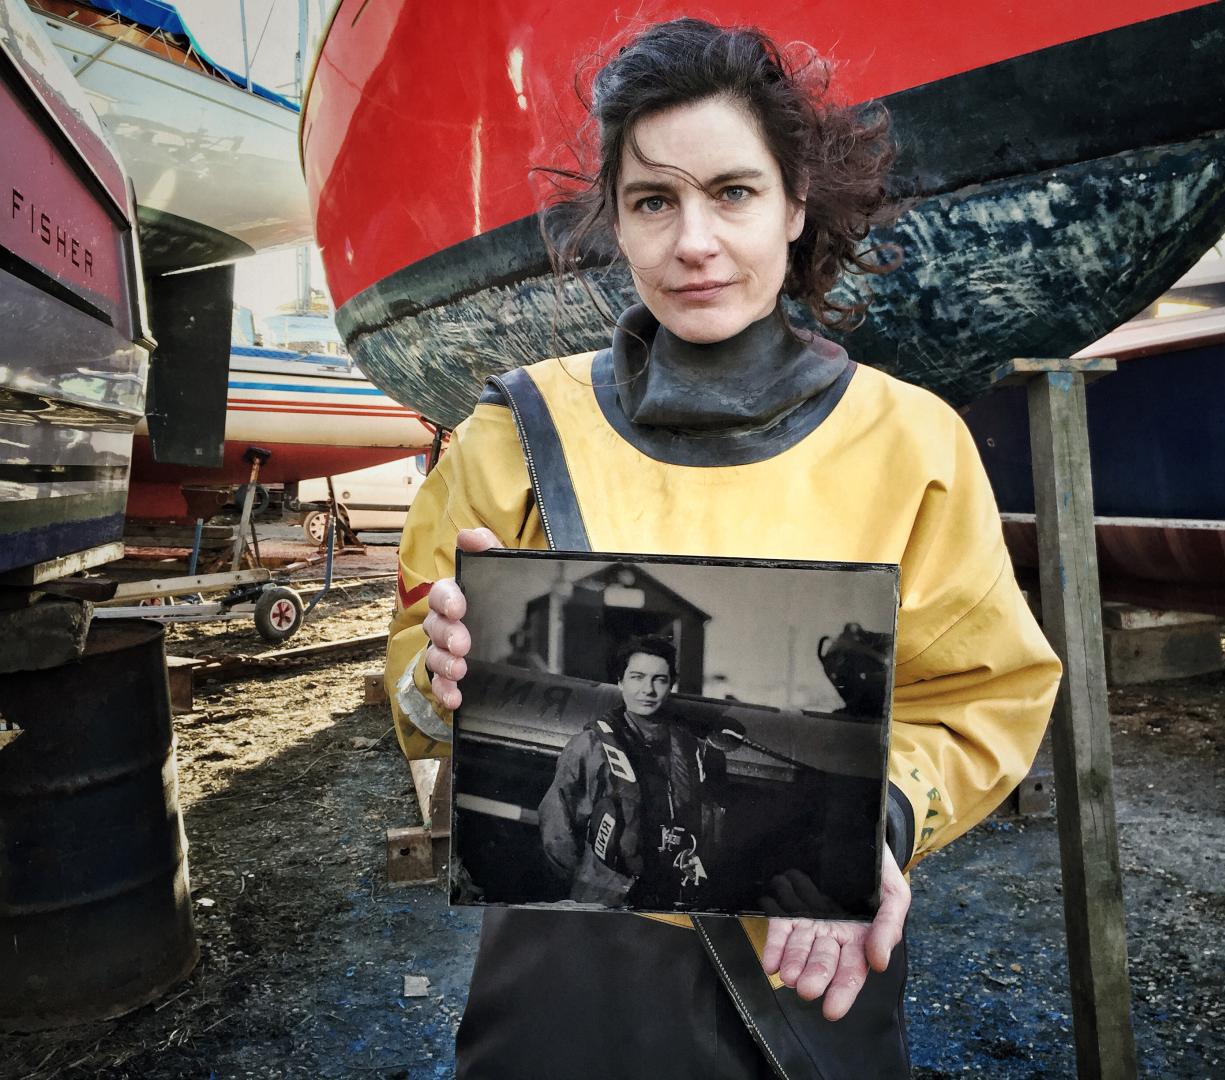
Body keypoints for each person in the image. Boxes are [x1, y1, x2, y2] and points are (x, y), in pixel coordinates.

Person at [384, 17, 1063, 1079]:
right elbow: (415, 702)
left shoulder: (913, 444)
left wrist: (878, 820)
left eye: (734, 193)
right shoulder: (512, 436)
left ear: (795, 205)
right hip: (568, 970)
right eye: (654, 201)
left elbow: (986, 694)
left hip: (810, 960)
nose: (693, 240)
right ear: (616, 220)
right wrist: (440, 682)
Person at [537, 634, 729, 909]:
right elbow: (557, 827)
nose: (648, 690)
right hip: (604, 897)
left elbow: (710, 826)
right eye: (637, 677)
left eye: (659, 679)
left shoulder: (694, 751)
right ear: (620, 681)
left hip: (673, 894)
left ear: (671, 684)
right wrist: (588, 883)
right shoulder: (590, 746)